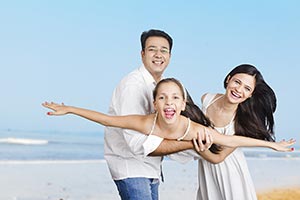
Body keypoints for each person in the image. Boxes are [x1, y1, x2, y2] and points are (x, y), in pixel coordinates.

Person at [99, 29, 211, 200]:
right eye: (152, 49)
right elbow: (136, 143)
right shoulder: (133, 86)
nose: (158, 55)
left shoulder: (166, 86)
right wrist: (189, 145)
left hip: (151, 167)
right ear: (142, 54)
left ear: (170, 56)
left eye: (164, 50)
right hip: (131, 166)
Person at [174, 64, 295, 200]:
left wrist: (196, 146)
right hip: (207, 172)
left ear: (250, 95)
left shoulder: (242, 123)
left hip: (231, 173)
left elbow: (217, 158)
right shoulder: (207, 99)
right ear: (228, 79)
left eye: (247, 88)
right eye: (237, 82)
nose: (239, 89)